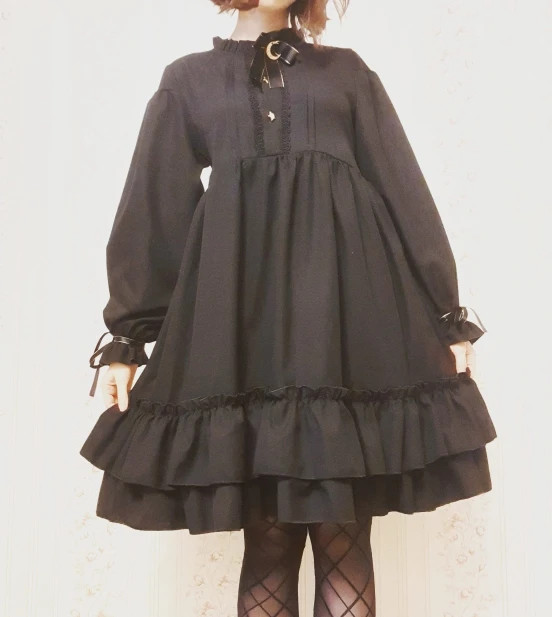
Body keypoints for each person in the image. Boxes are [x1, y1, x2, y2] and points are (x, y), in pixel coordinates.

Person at [80, 0, 498, 615]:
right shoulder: (186, 80)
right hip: (244, 333)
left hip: (346, 331)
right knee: (268, 542)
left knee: (343, 533)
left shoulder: (347, 74)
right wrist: (127, 338)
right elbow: (153, 208)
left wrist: (446, 313)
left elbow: (403, 188)